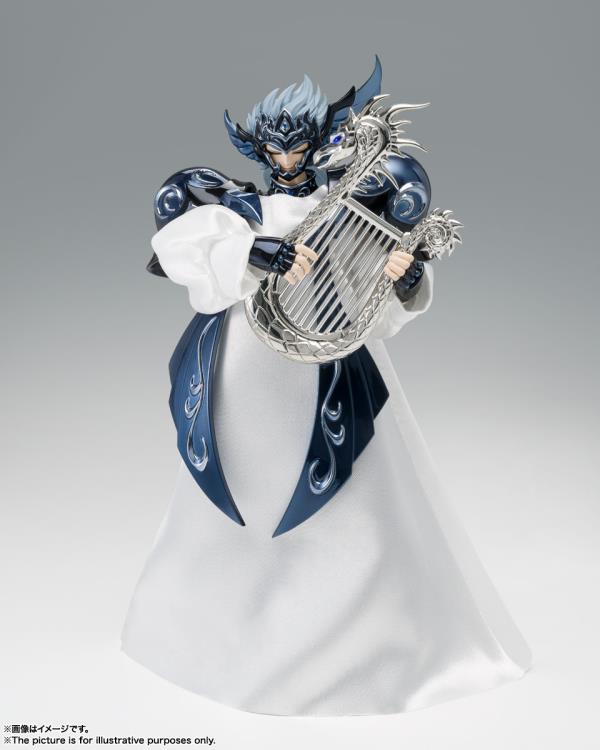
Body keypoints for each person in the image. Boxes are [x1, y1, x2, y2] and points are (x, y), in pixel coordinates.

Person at [121, 58, 532, 716]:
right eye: (274, 149)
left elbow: (371, 300)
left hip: (329, 362)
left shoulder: (343, 207)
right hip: (243, 368)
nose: (287, 160)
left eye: (298, 147)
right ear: (258, 149)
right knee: (237, 494)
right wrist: (252, 254)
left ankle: (354, 636)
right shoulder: (241, 209)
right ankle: (214, 627)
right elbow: (184, 248)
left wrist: (404, 276)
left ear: (319, 143)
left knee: (353, 504)